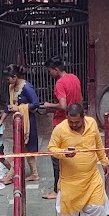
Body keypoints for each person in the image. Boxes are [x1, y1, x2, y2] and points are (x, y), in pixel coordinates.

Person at [48, 103, 109, 216]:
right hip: (70, 181)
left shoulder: (92, 123)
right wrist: (64, 153)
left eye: (77, 122)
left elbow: (98, 144)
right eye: (71, 122)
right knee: (72, 211)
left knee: (97, 207)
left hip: (92, 177)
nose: (74, 125)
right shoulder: (60, 129)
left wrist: (104, 161)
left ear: (83, 117)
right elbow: (51, 149)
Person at [41, 59, 83, 201]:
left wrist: (49, 105)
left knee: (56, 156)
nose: (50, 74)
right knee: (73, 155)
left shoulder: (60, 83)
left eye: (50, 71)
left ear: (56, 70)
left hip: (61, 123)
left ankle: (57, 190)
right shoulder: (74, 78)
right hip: (75, 122)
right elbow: (80, 100)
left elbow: (63, 105)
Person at [0, 65, 41, 188]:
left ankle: (9, 177)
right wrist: (1, 120)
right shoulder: (12, 87)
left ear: (15, 77)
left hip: (28, 122)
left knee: (21, 148)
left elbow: (36, 104)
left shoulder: (27, 87)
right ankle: (34, 174)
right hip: (18, 121)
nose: (7, 81)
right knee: (25, 149)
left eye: (8, 79)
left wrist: (19, 108)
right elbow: (8, 106)